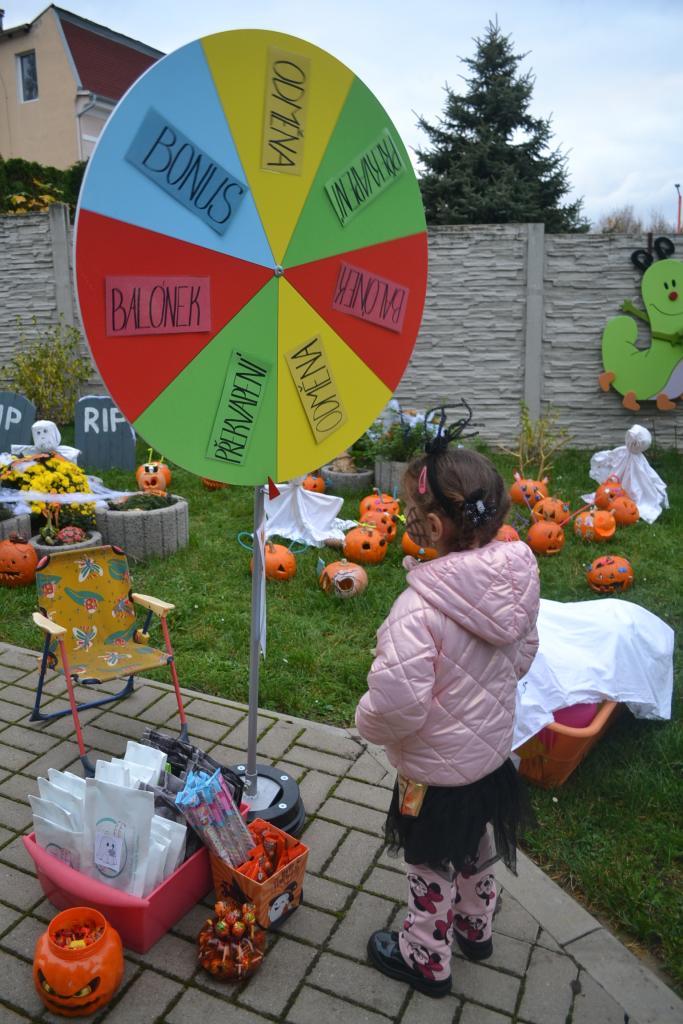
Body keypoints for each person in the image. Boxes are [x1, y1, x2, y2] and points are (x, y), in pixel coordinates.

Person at [355, 440, 540, 999]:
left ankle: (425, 957)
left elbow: (398, 705)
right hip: (489, 760)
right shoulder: (515, 584)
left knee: (430, 865)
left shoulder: (418, 610)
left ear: (433, 527)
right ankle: (475, 929)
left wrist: (366, 720)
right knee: (477, 846)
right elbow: (524, 653)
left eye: (410, 515)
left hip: (435, 778)